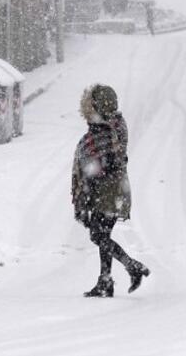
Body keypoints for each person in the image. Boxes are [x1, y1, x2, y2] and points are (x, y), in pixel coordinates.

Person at [72, 84, 150, 297]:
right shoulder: (115, 123)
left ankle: (132, 266)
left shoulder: (106, 128)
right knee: (102, 234)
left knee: (98, 235)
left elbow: (105, 160)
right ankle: (105, 280)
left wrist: (89, 183)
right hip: (112, 188)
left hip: (107, 189)